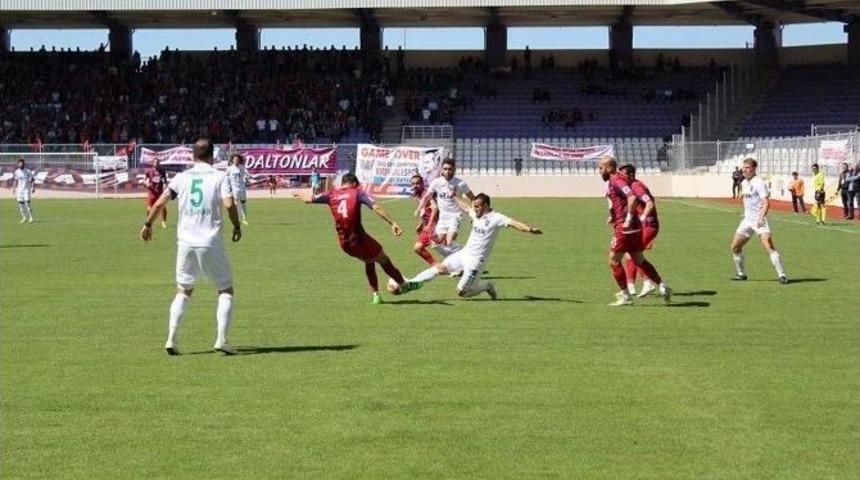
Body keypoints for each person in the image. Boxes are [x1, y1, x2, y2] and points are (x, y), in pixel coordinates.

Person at [139, 138, 243, 356]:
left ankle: (171, 339)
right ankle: (221, 339)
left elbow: (160, 202)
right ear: (212, 156)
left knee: (184, 290)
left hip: (185, 242)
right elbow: (229, 204)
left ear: (193, 156)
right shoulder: (219, 176)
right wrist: (236, 225)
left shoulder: (181, 177)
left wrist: (148, 224)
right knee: (225, 289)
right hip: (210, 241)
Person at [295, 173, 421, 304]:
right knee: (383, 259)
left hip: (345, 244)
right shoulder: (357, 193)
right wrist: (392, 223)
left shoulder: (331, 194)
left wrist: (299, 194)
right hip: (359, 239)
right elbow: (375, 206)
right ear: (354, 183)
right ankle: (404, 285)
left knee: (369, 260)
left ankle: (376, 295)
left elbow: (308, 199)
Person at [407, 193, 542, 299]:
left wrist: (529, 229)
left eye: (477, 206)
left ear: (486, 206)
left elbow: (514, 223)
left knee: (462, 292)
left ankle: (487, 286)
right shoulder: (476, 214)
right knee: (439, 268)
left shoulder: (497, 218)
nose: (474, 209)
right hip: (464, 254)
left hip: (476, 261)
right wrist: (454, 196)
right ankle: (411, 282)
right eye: (474, 206)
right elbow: (466, 208)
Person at [598, 157, 671, 306]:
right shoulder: (616, 181)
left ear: (609, 168)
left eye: (600, 168)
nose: (599, 171)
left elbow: (632, 198)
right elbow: (622, 202)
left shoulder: (616, 181)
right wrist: (613, 216)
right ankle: (662, 286)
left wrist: (627, 219)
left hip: (625, 228)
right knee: (638, 259)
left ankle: (626, 295)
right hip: (635, 227)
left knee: (613, 260)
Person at [730, 157, 788, 284]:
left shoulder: (759, 183)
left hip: (759, 220)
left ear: (754, 168)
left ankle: (782, 275)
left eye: (747, 168)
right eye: (744, 168)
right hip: (747, 220)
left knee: (768, 245)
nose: (744, 170)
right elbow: (749, 200)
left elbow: (766, 203)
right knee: (735, 247)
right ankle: (741, 274)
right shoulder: (744, 183)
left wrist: (761, 217)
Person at [416, 159, 474, 258]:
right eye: (445, 169)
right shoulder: (436, 182)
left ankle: (465, 255)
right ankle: (461, 255)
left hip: (456, 215)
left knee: (449, 241)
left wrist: (473, 215)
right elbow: (426, 197)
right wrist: (419, 208)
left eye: (450, 169)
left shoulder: (460, 183)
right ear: (442, 170)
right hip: (443, 217)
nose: (447, 171)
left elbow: (472, 198)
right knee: (436, 243)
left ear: (454, 169)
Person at [618, 164, 661, 298]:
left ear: (631, 175)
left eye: (623, 174)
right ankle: (632, 286)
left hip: (648, 225)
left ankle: (645, 283)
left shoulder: (637, 186)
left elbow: (649, 203)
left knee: (632, 254)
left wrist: (642, 217)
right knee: (631, 254)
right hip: (643, 226)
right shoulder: (630, 187)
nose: (620, 177)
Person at [410, 174, 440, 266]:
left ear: (422, 183)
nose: (415, 185)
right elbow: (425, 211)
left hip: (435, 224)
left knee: (442, 246)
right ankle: (437, 266)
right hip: (427, 225)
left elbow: (435, 208)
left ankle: (461, 262)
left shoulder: (426, 193)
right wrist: (421, 224)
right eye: (413, 184)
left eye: (417, 183)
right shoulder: (417, 194)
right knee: (418, 248)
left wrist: (429, 224)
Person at [143, 157, 168, 228]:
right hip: (152, 192)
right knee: (149, 209)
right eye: (155, 162)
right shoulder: (149, 171)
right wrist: (146, 183)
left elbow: (165, 180)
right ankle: (150, 222)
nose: (156, 163)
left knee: (163, 207)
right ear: (152, 163)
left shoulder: (162, 170)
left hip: (160, 192)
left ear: (159, 163)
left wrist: (165, 185)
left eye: (157, 162)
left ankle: (163, 222)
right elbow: (144, 179)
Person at [226, 153, 250, 225]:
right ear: (232, 160)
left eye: (237, 159)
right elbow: (226, 178)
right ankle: (238, 219)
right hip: (234, 189)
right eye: (235, 159)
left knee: (243, 204)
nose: (236, 161)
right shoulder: (230, 169)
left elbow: (248, 175)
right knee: (236, 204)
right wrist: (228, 188)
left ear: (239, 160)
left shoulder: (242, 168)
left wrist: (249, 177)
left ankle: (245, 219)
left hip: (242, 188)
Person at [12, 158, 35, 223]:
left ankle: (31, 218)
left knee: (27, 203)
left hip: (26, 189)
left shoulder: (28, 171)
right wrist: (14, 188)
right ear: (18, 164)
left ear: (24, 164)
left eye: (22, 163)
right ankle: (24, 217)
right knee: (21, 204)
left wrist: (33, 187)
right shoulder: (16, 172)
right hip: (20, 190)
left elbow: (32, 179)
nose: (21, 164)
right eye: (19, 163)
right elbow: (15, 180)